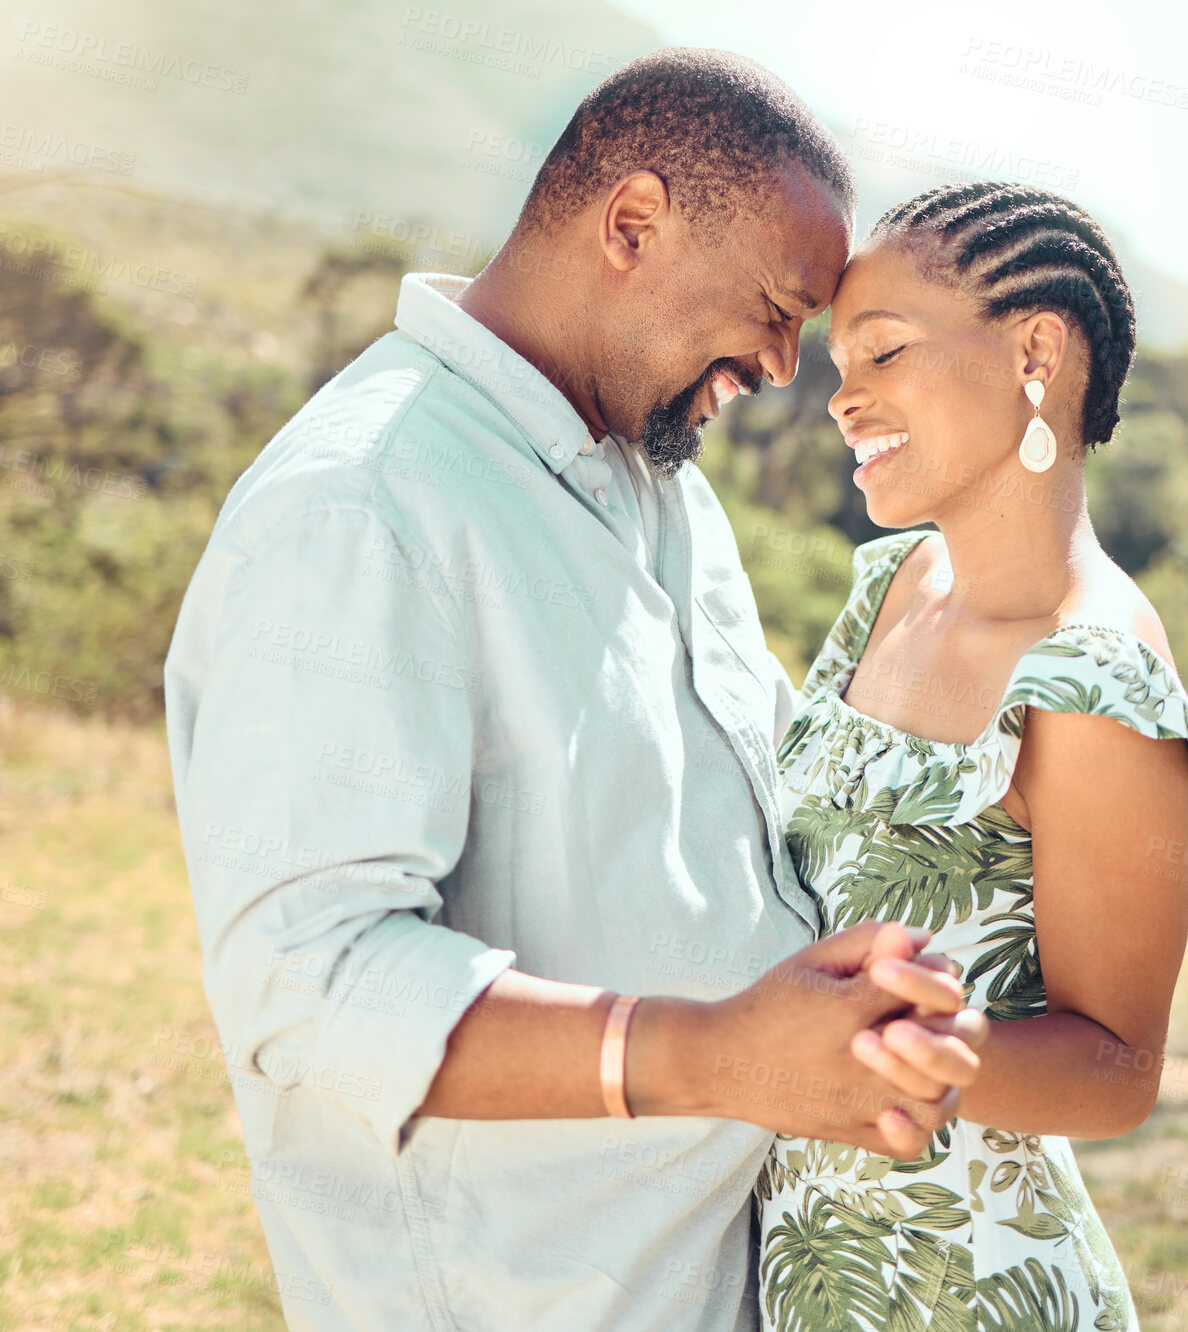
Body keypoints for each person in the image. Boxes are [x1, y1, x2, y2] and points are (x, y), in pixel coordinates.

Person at [163, 51, 984, 1332]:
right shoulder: (365, 505)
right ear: (633, 225)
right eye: (775, 307)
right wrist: (715, 1054)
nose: (783, 365)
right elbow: (307, 981)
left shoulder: (666, 487)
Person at [755, 181, 1188, 1331]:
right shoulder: (884, 590)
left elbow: (1119, 1068)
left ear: (1036, 351)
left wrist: (930, 1050)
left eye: (884, 354)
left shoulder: (1094, 678)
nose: (843, 399)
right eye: (839, 366)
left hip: (972, 1289)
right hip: (802, 1271)